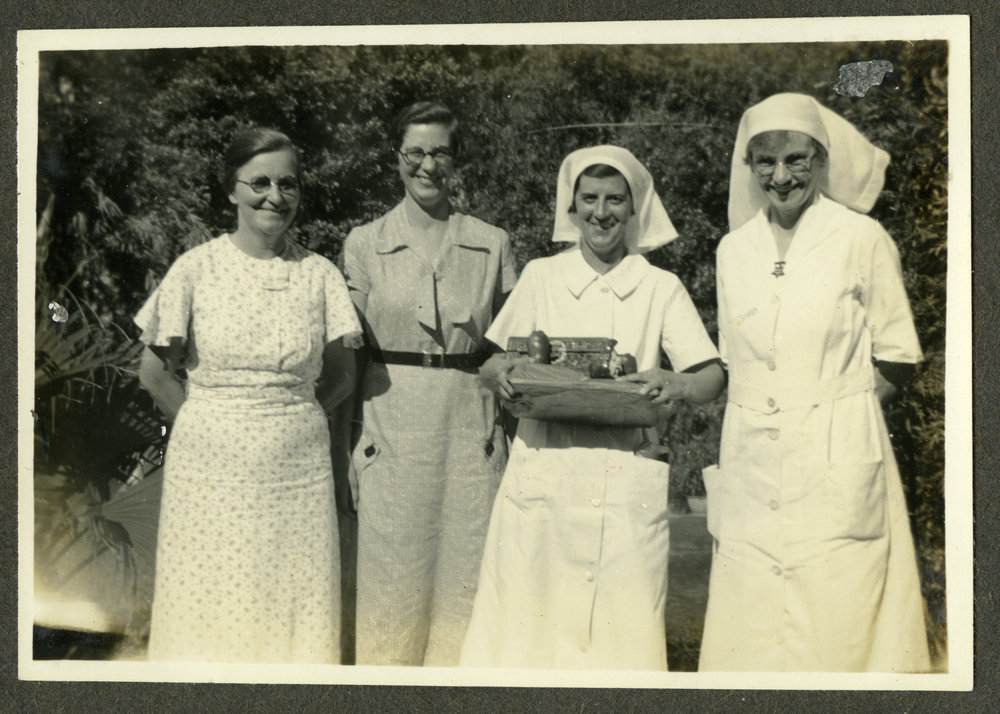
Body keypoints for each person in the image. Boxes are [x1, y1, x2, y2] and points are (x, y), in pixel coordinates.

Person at [459, 145, 725, 670]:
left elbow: (712, 377)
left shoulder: (659, 286)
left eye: (614, 200)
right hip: (544, 477)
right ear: (572, 206)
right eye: (589, 199)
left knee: (618, 645)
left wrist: (674, 383)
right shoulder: (541, 276)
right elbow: (489, 361)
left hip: (622, 475)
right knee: (527, 639)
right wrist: (500, 375)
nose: (601, 213)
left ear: (634, 208)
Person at [700, 93, 931, 672]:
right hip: (752, 455)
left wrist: (842, 415)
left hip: (839, 451)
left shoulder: (860, 237)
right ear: (749, 167)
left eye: (796, 160)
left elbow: (899, 355)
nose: (781, 177)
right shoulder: (733, 250)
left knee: (840, 621)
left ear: (821, 161)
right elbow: (734, 359)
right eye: (766, 162)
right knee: (753, 625)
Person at [135, 128, 361, 663]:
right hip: (208, 473)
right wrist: (211, 422)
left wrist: (290, 415)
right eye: (259, 183)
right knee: (209, 606)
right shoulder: (195, 269)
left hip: (297, 475)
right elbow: (154, 374)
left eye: (288, 183)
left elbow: (343, 376)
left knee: (292, 606)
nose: (274, 197)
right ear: (232, 190)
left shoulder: (321, 275)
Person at [341, 102, 516, 666]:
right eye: (415, 152)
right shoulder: (365, 242)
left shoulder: (492, 243)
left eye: (440, 152)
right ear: (397, 158)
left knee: (465, 595)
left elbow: (511, 350)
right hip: (391, 435)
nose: (427, 165)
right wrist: (347, 447)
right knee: (390, 600)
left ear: (455, 158)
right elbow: (347, 358)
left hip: (470, 437)